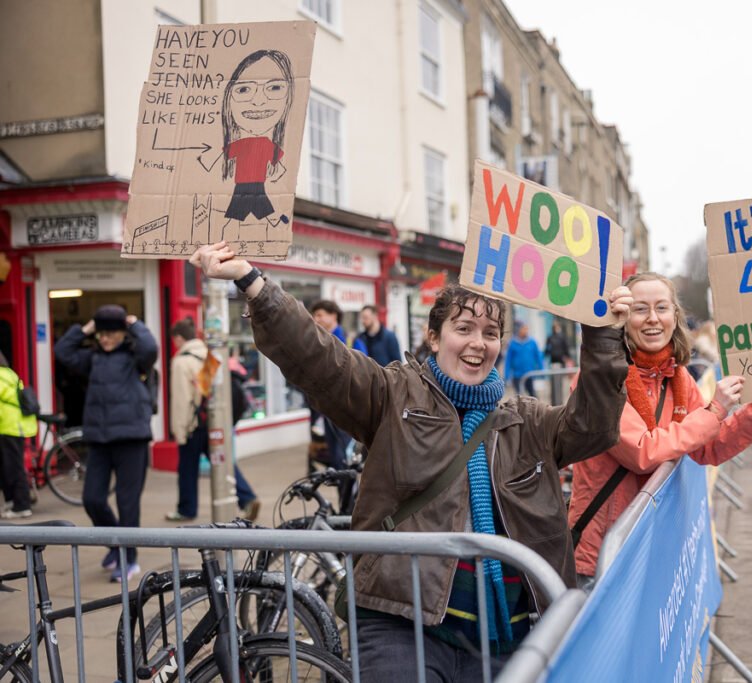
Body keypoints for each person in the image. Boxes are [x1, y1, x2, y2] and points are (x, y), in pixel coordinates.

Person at [190, 241, 631, 679]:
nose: (478, 343)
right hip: (399, 622)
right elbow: (319, 357)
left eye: (490, 333)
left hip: (508, 638)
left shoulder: (528, 422)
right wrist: (253, 283)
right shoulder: (391, 395)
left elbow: (594, 425)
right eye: (464, 329)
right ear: (434, 337)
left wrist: (603, 335)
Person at [568, 272, 752, 590]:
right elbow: (643, 453)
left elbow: (709, 445)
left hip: (655, 545)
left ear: (675, 317)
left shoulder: (677, 377)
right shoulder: (599, 380)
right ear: (622, 317)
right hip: (605, 554)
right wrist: (715, 409)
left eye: (661, 308)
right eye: (639, 309)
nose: (652, 319)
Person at [54, 305, 157, 583]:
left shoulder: (135, 358)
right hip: (99, 439)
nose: (105, 339)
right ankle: (115, 545)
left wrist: (134, 323)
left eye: (111, 333)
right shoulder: (92, 358)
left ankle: (129, 559)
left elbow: (150, 347)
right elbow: (62, 352)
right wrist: (86, 328)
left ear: (123, 333)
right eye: (101, 334)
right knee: (92, 499)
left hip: (131, 439)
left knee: (127, 502)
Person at [165, 319, 261, 522]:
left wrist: (180, 430)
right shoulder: (210, 356)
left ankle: (186, 509)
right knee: (223, 463)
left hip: (194, 424)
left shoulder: (182, 361)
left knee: (187, 469)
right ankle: (247, 497)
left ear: (179, 339)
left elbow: (183, 400)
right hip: (213, 422)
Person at [199, 49, 294, 241]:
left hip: (250, 186)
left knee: (240, 218)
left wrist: (277, 175)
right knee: (251, 216)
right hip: (244, 186)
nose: (258, 102)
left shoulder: (264, 144)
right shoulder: (243, 144)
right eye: (243, 89)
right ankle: (278, 220)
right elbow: (221, 157)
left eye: (274, 88)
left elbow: (281, 167)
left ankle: (277, 221)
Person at [309, 300, 364, 469]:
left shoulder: (350, 341)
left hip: (346, 411)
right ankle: (344, 494)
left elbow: (364, 373)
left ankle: (351, 494)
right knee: (333, 460)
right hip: (324, 412)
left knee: (345, 459)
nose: (315, 319)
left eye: (319, 315)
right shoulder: (317, 341)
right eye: (314, 315)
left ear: (333, 316)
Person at [0, 351, 36, 519]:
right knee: (8, 466)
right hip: (12, 426)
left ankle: (22, 505)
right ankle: (11, 501)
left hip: (10, 427)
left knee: (14, 467)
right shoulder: (8, 373)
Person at [504, 322, 544, 397]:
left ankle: (536, 408)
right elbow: (508, 360)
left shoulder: (532, 342)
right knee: (519, 396)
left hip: (529, 374)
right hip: (517, 375)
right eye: (524, 329)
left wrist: (541, 370)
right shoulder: (512, 343)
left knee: (533, 395)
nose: (526, 331)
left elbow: (538, 356)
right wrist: (507, 375)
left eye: (526, 329)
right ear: (519, 330)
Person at [544, 321, 573, 404]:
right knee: (555, 381)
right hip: (554, 362)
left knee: (559, 380)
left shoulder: (559, 337)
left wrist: (568, 357)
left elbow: (565, 348)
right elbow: (547, 349)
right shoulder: (552, 337)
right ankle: (555, 399)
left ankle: (558, 399)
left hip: (558, 362)